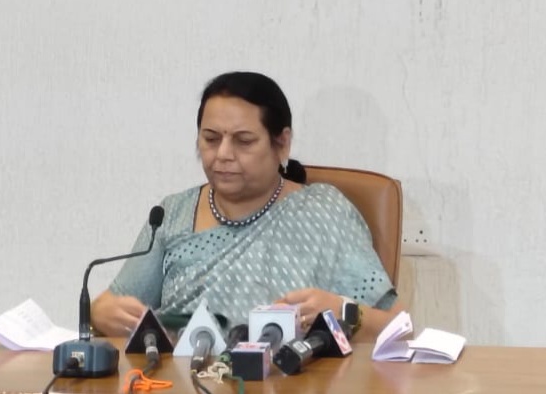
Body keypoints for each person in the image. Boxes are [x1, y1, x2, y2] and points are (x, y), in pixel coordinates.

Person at [91, 71, 401, 342]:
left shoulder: (324, 212)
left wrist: (343, 312)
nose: (223, 154)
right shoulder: (172, 214)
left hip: (290, 379)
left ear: (282, 143)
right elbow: (109, 306)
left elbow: (397, 327)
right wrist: (102, 314)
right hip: (179, 379)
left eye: (243, 141)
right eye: (211, 139)